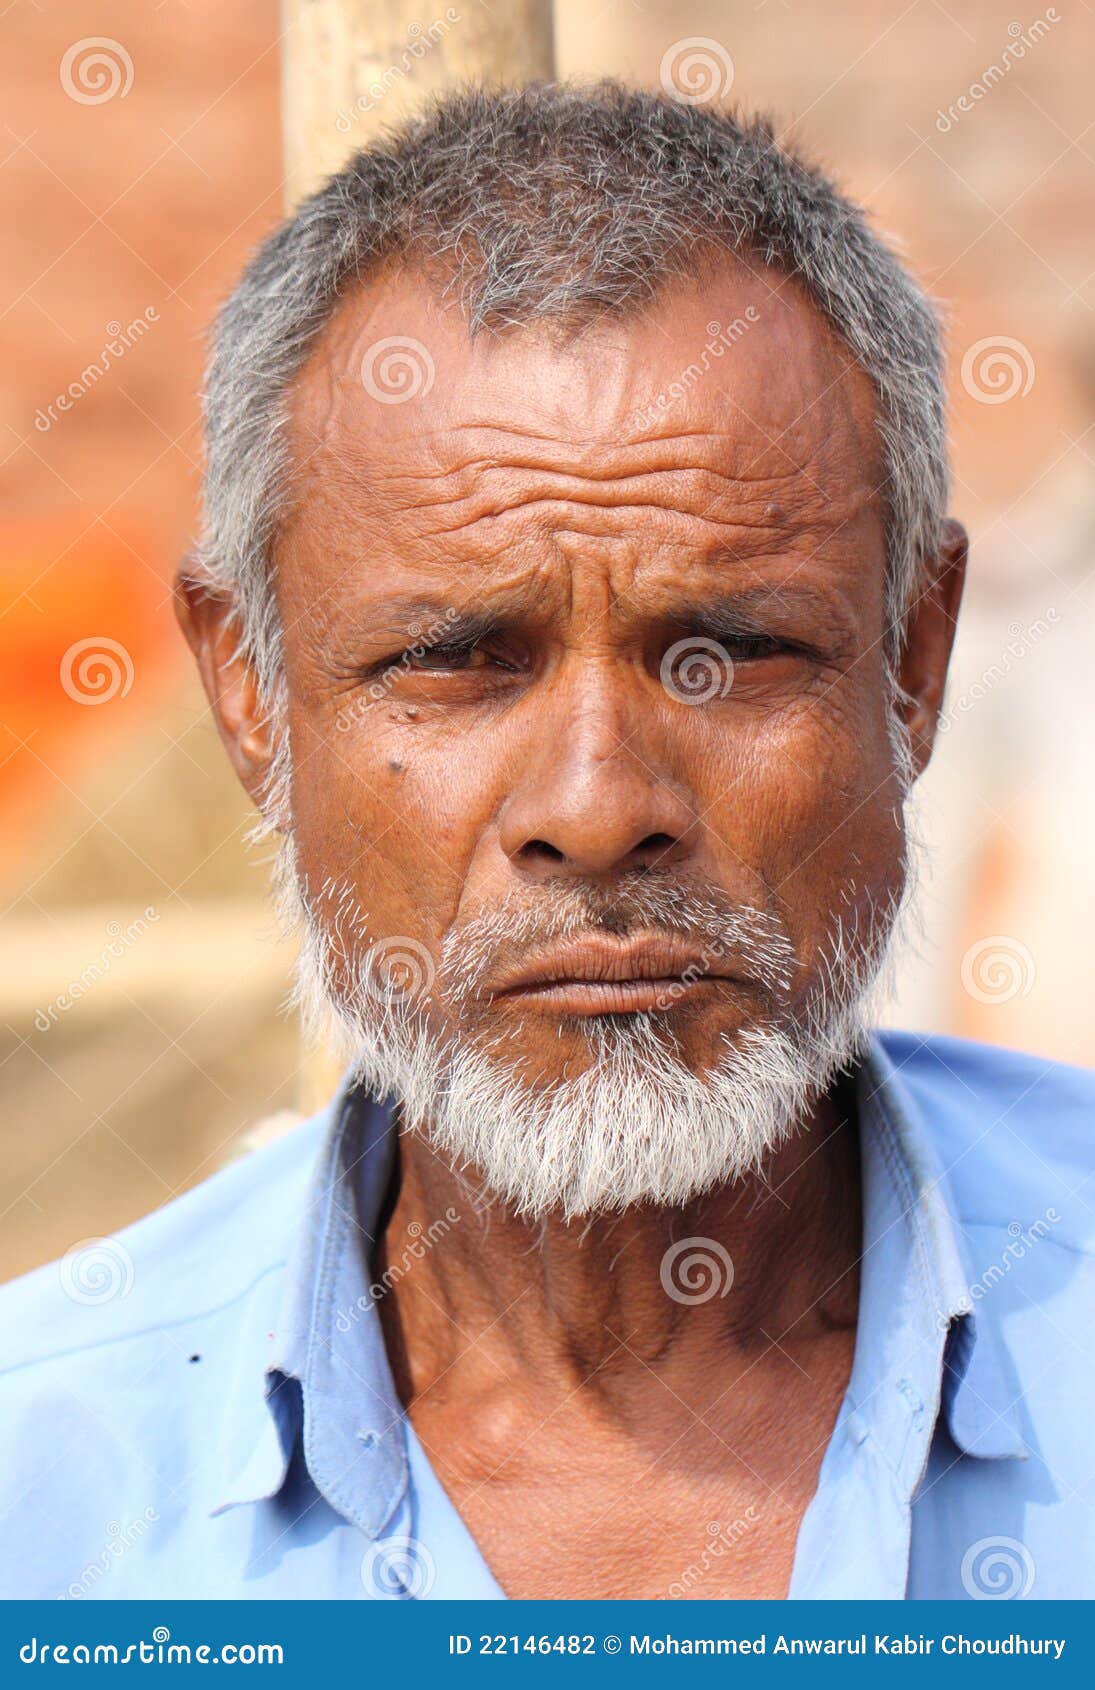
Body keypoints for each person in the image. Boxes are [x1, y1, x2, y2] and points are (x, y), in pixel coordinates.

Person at [2, 83, 1091, 1602]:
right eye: (456, 659)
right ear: (249, 694)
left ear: (915, 664)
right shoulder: (50, 1497)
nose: (595, 806)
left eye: (728, 650)